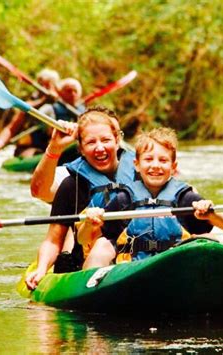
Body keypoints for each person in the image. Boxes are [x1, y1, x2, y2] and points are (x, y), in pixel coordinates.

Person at [77, 127, 223, 269]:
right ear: (136, 165)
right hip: (132, 270)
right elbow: (83, 239)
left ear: (173, 167)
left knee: (209, 242)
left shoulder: (185, 199)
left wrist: (212, 216)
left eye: (163, 160)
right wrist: (89, 224)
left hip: (176, 267)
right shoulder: (124, 199)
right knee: (101, 246)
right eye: (148, 159)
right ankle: (89, 292)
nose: (155, 165)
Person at [24, 106, 137, 291]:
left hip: (137, 254)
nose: (99, 147)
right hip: (90, 261)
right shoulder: (71, 184)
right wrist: (42, 269)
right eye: (91, 142)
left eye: (106, 140)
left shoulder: (143, 173)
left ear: (117, 141)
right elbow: (53, 239)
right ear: (81, 149)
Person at [0, 74, 85, 158]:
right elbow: (11, 128)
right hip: (30, 148)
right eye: (43, 85)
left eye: (49, 86)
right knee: (34, 153)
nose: (46, 88)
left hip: (56, 147)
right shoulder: (29, 107)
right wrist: (0, 143)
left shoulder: (66, 106)